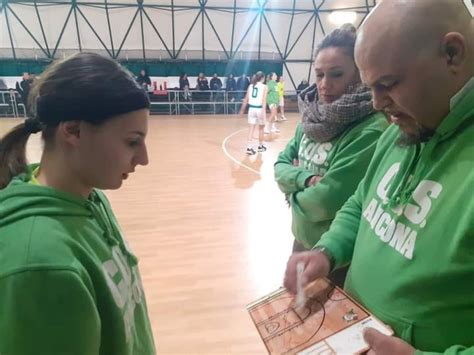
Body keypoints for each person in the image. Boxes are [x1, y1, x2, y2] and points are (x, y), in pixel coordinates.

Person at [284, 1, 474, 353]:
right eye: (370, 86)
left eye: (387, 84)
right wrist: (327, 250)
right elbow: (362, 201)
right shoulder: (404, 124)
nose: (375, 103)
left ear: (452, 53)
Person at [0, 52, 155, 354]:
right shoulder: (41, 267)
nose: (144, 159)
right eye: (132, 142)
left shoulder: (90, 197)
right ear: (73, 130)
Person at [275, 24, 387, 287]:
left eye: (336, 74)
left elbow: (328, 200)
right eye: (320, 75)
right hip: (301, 241)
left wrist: (291, 190)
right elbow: (280, 165)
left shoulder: (369, 129)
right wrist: (305, 179)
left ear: (360, 75)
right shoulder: (310, 120)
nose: (325, 85)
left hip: (338, 256)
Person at [239, 71, 267, 155]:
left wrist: (242, 110)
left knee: (251, 129)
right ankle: (260, 146)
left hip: (251, 109)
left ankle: (249, 148)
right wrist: (263, 111)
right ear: (262, 78)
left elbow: (245, 99)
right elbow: (264, 100)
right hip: (259, 109)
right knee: (261, 128)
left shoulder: (250, 86)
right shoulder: (264, 87)